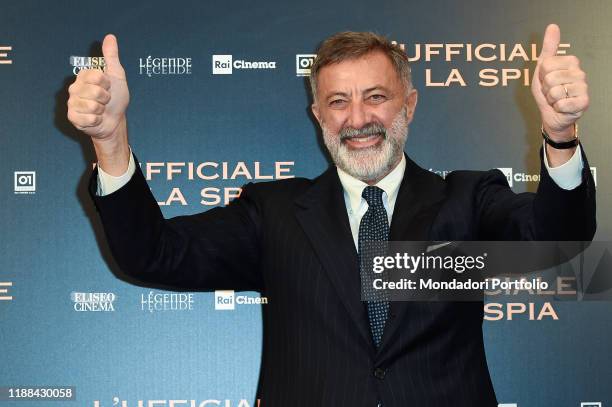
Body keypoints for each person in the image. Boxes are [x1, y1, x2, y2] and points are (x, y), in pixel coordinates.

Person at [67, 24, 596, 406]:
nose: (358, 118)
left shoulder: (467, 199)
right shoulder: (273, 213)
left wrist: (560, 135)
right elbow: (153, 255)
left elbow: (556, 236)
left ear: (408, 105)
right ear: (318, 115)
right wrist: (111, 141)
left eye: (376, 97)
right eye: (338, 101)